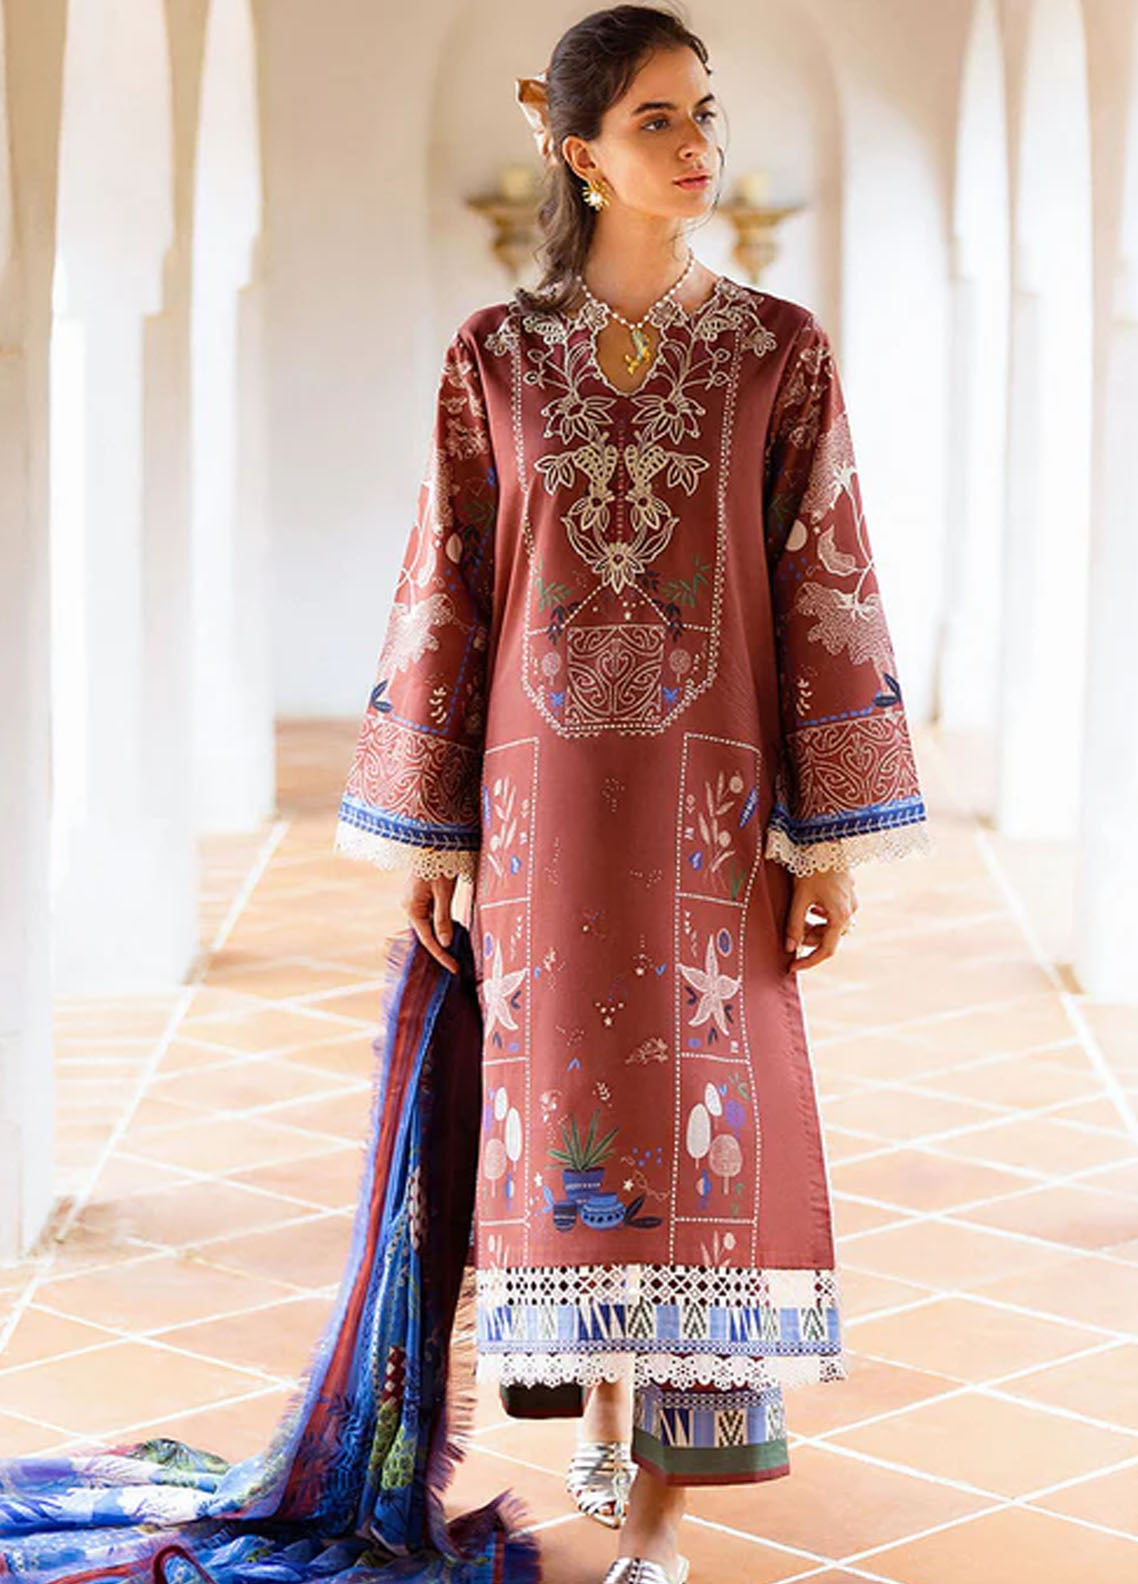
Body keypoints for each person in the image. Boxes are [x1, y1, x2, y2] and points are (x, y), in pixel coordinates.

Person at [333, 6, 932, 1583]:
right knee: (564, 1116)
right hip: (535, 812)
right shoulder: (494, 355)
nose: (695, 143)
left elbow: (823, 581)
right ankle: (593, 1407)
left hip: (709, 812)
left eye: (702, 111)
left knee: (702, 1117)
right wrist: (431, 829)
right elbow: (447, 585)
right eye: (657, 119)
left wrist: (827, 839)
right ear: (579, 153)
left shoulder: (776, 351)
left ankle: (660, 1511)